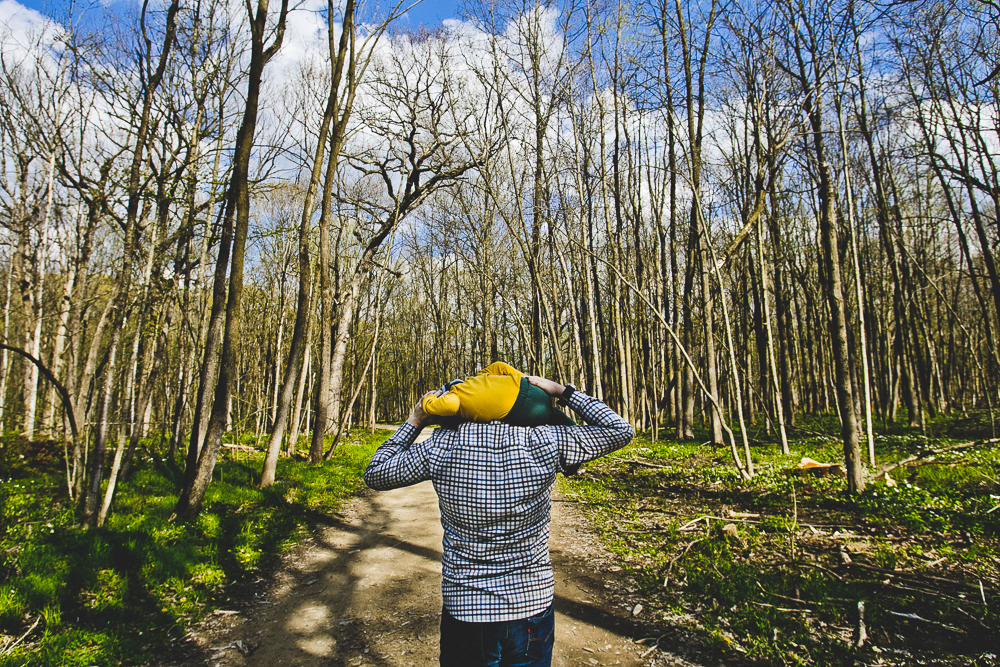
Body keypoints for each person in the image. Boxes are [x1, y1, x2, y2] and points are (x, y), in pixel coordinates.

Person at [364, 375, 634, 667]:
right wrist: (562, 391)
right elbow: (620, 429)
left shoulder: (441, 445)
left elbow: (376, 473)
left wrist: (416, 419)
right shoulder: (545, 440)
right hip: (530, 603)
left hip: (467, 608)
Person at [422, 361, 575, 427]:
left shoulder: (456, 398)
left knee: (550, 416)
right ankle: (577, 429)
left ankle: (571, 460)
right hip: (530, 387)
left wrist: (428, 399)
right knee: (555, 415)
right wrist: (526, 378)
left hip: (521, 411)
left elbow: (449, 405)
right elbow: (499, 366)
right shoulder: (479, 378)